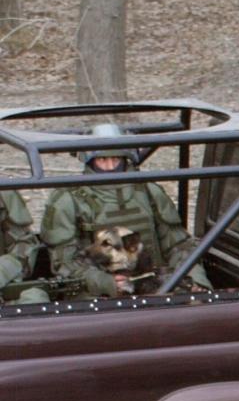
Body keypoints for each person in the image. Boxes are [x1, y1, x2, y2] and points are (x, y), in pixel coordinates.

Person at [40, 124, 211, 297]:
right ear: (90, 160)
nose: (110, 166)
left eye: (116, 159)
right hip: (97, 292)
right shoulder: (67, 200)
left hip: (155, 283)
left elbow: (178, 245)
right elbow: (65, 261)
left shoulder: (149, 192)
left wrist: (195, 280)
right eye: (103, 160)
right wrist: (106, 283)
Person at [1, 189, 50, 303]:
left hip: (5, 291)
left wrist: (4, 268)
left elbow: (25, 243)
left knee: (36, 298)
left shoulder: (4, 193)